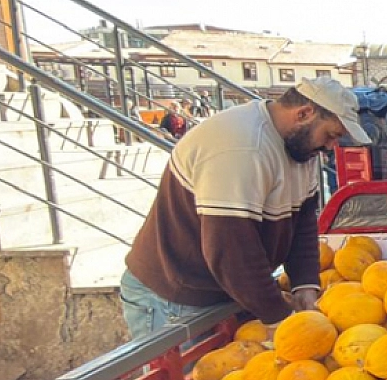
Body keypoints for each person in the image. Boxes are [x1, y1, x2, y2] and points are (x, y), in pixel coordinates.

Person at [120, 78, 370, 340]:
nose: (331, 147)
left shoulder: (301, 148)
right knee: (192, 378)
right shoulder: (243, 146)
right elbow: (230, 248)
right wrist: (278, 317)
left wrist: (305, 285)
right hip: (175, 296)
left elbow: (303, 223)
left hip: (226, 290)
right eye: (330, 135)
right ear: (305, 113)